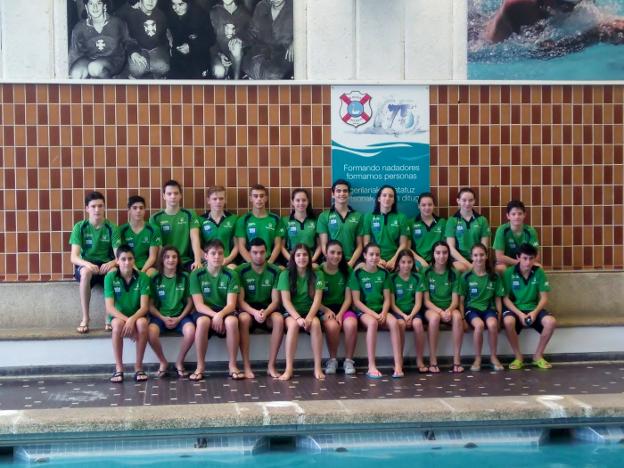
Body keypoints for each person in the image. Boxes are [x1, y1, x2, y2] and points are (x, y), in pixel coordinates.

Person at [189, 240, 242, 381]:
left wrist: (220, 314)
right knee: (202, 322)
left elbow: (231, 304)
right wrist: (215, 316)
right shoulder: (196, 275)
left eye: (220, 253)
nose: (217, 256)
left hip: (224, 309)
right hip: (205, 310)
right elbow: (199, 305)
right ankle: (200, 366)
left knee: (231, 322)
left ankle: (232, 365)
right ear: (205, 256)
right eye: (213, 253)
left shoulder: (232, 275)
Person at [349, 242, 403, 379]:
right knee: (372, 323)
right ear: (365, 256)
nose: (374, 257)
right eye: (371, 254)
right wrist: (374, 314)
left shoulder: (384, 274)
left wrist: (384, 313)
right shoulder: (357, 274)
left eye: (377, 255)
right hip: (365, 311)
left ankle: (398, 365)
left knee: (394, 323)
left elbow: (387, 299)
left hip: (381, 310)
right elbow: (356, 301)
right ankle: (371, 366)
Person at [70, 191, 120, 334]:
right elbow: (73, 257)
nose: (97, 209)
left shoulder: (112, 228)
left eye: (100, 206)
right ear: (87, 208)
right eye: (93, 206)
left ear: (104, 207)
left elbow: (119, 257)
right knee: (85, 272)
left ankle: (108, 317)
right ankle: (86, 318)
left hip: (105, 266)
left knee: (114, 271)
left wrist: (112, 263)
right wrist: (86, 264)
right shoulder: (80, 227)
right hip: (88, 266)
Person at [503, 243, 556, 370]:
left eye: (531, 258)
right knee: (508, 321)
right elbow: (505, 298)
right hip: (515, 309)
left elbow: (544, 298)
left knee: (551, 322)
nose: (528, 262)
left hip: (533, 309)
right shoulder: (509, 272)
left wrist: (534, 312)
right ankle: (518, 357)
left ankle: (538, 356)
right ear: (518, 257)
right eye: (525, 258)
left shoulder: (539, 272)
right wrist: (520, 314)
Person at [277, 244, 326, 381]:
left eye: (305, 255)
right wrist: (298, 318)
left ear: (310, 258)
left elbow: (317, 299)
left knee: (316, 324)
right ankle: (289, 368)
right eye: (298, 255)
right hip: (293, 312)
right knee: (293, 326)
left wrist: (310, 317)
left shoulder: (318, 274)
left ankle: (317, 367)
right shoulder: (285, 274)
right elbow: (286, 301)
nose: (302, 258)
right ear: (293, 257)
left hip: (310, 310)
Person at [236, 238, 284, 378]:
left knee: (279, 319)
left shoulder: (275, 271)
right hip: (249, 310)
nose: (259, 256)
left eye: (262, 252)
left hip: (268, 309)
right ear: (249, 253)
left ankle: (271, 365)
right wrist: (254, 312)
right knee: (243, 319)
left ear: (267, 252)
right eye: (255, 252)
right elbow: (240, 301)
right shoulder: (241, 271)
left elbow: (276, 301)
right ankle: (246, 366)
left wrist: (265, 312)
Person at [104, 245, 150, 383]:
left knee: (142, 323)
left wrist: (132, 320)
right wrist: (128, 320)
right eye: (123, 259)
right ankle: (119, 368)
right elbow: (110, 308)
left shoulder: (143, 277)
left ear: (134, 260)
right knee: (117, 325)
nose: (127, 262)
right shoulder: (110, 277)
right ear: (117, 261)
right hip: (119, 315)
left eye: (130, 259)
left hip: (137, 314)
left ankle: (138, 367)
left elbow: (144, 307)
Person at [148, 246, 195, 379]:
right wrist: (163, 318)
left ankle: (179, 362)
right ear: (162, 259)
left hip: (181, 316)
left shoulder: (185, 277)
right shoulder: (155, 277)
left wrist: (179, 318)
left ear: (178, 259)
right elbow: (150, 306)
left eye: (174, 257)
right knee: (150, 333)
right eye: (167, 257)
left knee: (191, 331)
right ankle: (163, 362)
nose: (171, 260)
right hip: (160, 316)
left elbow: (190, 302)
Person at [458, 243, 505, 372]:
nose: (479, 258)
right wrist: (462, 319)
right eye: (475, 255)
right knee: (479, 326)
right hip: (471, 309)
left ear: (486, 256)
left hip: (488, 309)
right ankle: (477, 358)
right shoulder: (466, 276)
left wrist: (499, 317)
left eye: (481, 255)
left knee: (493, 324)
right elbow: (461, 301)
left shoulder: (494, 277)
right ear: (471, 257)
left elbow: (498, 299)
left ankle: (493, 357)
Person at [421, 241, 465, 374]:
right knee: (434, 319)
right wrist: (440, 311)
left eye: (445, 252)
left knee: (457, 317)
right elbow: (426, 301)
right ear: (433, 255)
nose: (441, 256)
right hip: (432, 308)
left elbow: (455, 300)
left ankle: (457, 361)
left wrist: (449, 310)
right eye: (438, 253)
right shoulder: (426, 272)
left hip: (449, 307)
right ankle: (433, 361)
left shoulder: (454, 273)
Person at [318, 240, 354, 375]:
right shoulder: (318, 270)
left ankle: (349, 361)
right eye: (332, 252)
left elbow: (348, 298)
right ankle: (332, 359)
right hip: (324, 308)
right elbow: (314, 298)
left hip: (343, 308)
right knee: (332, 326)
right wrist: (325, 310)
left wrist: (340, 314)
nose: (336, 256)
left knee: (351, 324)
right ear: (326, 253)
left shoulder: (346, 270)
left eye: (339, 253)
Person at [149, 180, 203, 271]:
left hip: (185, 261)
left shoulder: (189, 214)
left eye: (176, 193)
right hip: (165, 262)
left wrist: (197, 260)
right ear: (164, 196)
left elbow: (195, 238)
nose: (173, 196)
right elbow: (157, 245)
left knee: (198, 272)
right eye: (169, 194)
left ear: (180, 195)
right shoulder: (155, 218)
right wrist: (163, 264)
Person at [69, 0, 131, 79]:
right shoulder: (79, 27)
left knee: (94, 67)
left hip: (113, 59)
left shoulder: (117, 22)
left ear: (104, 6)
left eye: (99, 3)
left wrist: (134, 52)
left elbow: (129, 41)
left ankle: (109, 86)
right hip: (90, 58)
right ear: (86, 7)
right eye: (91, 4)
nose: (95, 7)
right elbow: (74, 52)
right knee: (76, 74)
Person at [389, 250, 425, 373]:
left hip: (413, 311)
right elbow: (392, 304)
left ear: (413, 263)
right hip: (398, 311)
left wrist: (410, 315)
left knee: (418, 324)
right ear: (398, 263)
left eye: (409, 262)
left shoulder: (417, 277)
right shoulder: (392, 278)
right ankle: (399, 360)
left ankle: (419, 359)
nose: (406, 265)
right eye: (403, 262)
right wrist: (404, 316)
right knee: (400, 324)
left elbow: (418, 303)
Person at [484, 0, 583, 44]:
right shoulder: (521, 5)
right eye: (565, 6)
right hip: (477, 43)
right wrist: (591, 37)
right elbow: (544, 50)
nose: (571, 10)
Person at [317, 179, 364, 268]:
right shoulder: (323, 216)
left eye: (345, 191)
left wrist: (351, 262)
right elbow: (323, 245)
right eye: (338, 191)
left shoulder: (358, 216)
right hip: (330, 259)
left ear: (349, 194)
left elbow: (360, 245)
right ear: (333, 194)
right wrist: (333, 261)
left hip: (352, 260)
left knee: (362, 269)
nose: (342, 194)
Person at [242, 0, 294, 79]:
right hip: (262, 52)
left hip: (284, 55)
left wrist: (295, 42)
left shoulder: (295, 8)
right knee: (252, 67)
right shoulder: (262, 6)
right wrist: (239, 39)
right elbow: (252, 32)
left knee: (272, 74)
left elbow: (308, 29)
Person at [118, 0, 171, 78]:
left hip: (155, 48)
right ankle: (134, 76)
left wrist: (166, 50)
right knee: (137, 69)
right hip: (138, 48)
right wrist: (133, 52)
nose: (150, 1)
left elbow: (163, 38)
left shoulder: (161, 15)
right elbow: (126, 38)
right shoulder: (130, 15)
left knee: (163, 67)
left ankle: (157, 76)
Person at [363, 185, 410, 271]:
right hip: (374, 258)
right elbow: (366, 242)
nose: (387, 198)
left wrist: (394, 260)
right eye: (384, 195)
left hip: (396, 258)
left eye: (391, 196)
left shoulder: (401, 217)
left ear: (394, 200)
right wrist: (378, 259)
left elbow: (403, 244)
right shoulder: (368, 217)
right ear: (379, 198)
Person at [166, 0, 216, 78]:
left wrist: (191, 46)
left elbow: (211, 38)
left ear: (188, 2)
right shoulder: (170, 13)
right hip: (178, 56)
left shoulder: (200, 14)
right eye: (173, 4)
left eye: (180, 4)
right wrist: (169, 39)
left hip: (198, 55)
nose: (176, 8)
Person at [235, 184, 282, 265]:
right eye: (255, 196)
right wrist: (252, 263)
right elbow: (241, 246)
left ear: (266, 198)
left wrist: (269, 263)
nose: (259, 199)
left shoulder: (275, 219)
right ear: (250, 198)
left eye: (262, 196)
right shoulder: (243, 220)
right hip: (249, 261)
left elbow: (278, 245)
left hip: (270, 260)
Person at [445, 188, 490, 272]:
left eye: (470, 200)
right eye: (464, 200)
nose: (467, 203)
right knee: (461, 268)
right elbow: (451, 248)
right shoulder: (452, 221)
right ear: (458, 201)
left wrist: (476, 261)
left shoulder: (482, 220)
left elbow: (484, 246)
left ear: (474, 201)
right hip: (459, 259)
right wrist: (468, 264)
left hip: (478, 257)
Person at [493, 200, 540, 273]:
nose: (517, 217)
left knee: (539, 268)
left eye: (520, 214)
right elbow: (499, 256)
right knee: (500, 268)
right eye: (513, 214)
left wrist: (524, 263)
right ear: (508, 216)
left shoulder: (530, 231)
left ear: (524, 215)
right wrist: (518, 263)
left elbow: (536, 255)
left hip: (526, 263)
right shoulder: (502, 230)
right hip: (507, 263)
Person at [119, 195, 160, 277]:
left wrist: (142, 272)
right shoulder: (121, 230)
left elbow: (152, 257)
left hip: (147, 267)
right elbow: (121, 255)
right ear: (129, 210)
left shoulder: (153, 229)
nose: (138, 211)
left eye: (141, 208)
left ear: (144, 210)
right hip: (127, 265)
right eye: (134, 208)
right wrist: (135, 270)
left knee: (153, 274)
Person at [209, 0, 251, 79]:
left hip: (238, 58)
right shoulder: (214, 12)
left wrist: (241, 41)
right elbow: (209, 39)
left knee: (236, 47)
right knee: (219, 71)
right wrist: (219, 54)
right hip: (218, 54)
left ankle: (236, 81)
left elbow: (251, 35)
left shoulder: (244, 13)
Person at [199, 186, 238, 268]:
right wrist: (209, 260)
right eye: (214, 199)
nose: (218, 202)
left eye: (221, 198)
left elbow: (237, 245)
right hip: (207, 261)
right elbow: (196, 246)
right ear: (208, 200)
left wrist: (227, 259)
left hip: (227, 261)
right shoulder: (200, 220)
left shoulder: (234, 219)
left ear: (225, 200)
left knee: (232, 269)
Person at [279, 188, 321, 264]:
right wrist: (292, 260)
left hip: (311, 260)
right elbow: (281, 246)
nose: (301, 203)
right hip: (291, 261)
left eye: (304, 200)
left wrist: (312, 259)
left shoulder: (315, 221)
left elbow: (320, 245)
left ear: (308, 202)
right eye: (298, 200)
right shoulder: (285, 221)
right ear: (292, 202)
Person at [410, 192, 446, 269]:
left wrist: (437, 260)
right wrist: (421, 261)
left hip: (438, 260)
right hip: (418, 260)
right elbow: (407, 247)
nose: (427, 207)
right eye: (423, 205)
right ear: (418, 206)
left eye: (430, 204)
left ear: (434, 206)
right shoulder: (411, 223)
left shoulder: (442, 222)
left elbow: (445, 245)